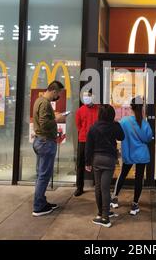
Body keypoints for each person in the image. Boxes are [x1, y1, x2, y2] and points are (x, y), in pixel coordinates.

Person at [111, 96, 153, 216]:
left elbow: (118, 134)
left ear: (131, 107)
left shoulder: (124, 121)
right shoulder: (144, 123)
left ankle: (114, 198)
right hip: (142, 155)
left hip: (129, 153)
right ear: (142, 107)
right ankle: (134, 205)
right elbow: (148, 138)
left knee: (123, 175)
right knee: (139, 179)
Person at [85, 104, 125, 228]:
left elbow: (88, 147)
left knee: (98, 187)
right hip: (109, 159)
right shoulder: (114, 126)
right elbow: (122, 137)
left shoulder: (93, 128)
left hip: (97, 159)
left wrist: (87, 162)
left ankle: (101, 213)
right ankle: (105, 218)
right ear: (112, 115)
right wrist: (116, 124)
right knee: (105, 188)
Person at [32, 81, 66, 217]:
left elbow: (43, 120)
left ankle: (41, 201)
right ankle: (38, 207)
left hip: (40, 141)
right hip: (45, 142)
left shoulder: (39, 100)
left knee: (41, 174)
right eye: (58, 94)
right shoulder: (45, 103)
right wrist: (57, 118)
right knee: (44, 175)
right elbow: (44, 124)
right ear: (54, 91)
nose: (58, 96)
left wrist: (53, 115)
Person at [74, 91, 99, 196]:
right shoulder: (80, 110)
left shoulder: (99, 109)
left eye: (88, 96)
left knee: (97, 164)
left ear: (92, 96)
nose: (86, 98)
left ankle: (99, 187)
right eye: (84, 96)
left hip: (96, 140)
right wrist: (84, 133)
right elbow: (78, 125)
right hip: (83, 140)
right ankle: (79, 187)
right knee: (80, 164)